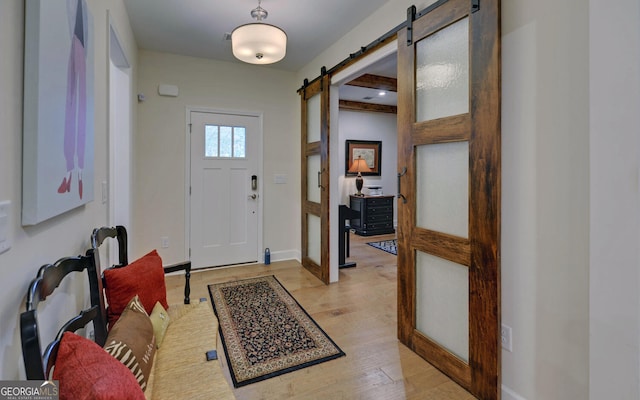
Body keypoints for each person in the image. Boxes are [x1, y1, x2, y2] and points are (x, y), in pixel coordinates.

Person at [58, 0, 88, 199]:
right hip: (75, 42)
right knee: (73, 104)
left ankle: (76, 172)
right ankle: (72, 172)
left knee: (79, 106)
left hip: (79, 43)